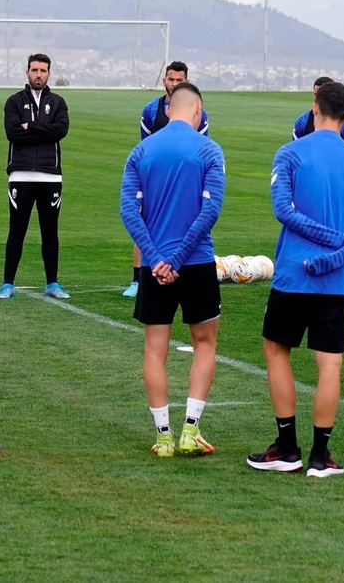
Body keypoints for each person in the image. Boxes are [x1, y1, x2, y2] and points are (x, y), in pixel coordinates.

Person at [248, 81, 344, 478]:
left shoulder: (290, 153)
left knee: (277, 351)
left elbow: (284, 211)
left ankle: (287, 448)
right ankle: (321, 456)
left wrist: (329, 244)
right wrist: (341, 250)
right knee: (330, 363)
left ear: (314, 108)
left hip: (293, 274)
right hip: (337, 280)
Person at [120, 81, 225, 458]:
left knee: (154, 349)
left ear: (167, 109)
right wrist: (179, 258)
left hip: (154, 267)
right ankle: (190, 430)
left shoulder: (142, 150)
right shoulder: (209, 149)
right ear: (198, 110)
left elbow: (129, 211)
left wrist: (155, 257)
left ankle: (163, 436)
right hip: (195, 263)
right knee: (204, 343)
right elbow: (210, 210)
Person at [127, 61, 211, 299]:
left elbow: (198, 149)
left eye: (179, 80)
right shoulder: (151, 111)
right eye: (171, 79)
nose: (174, 83)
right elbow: (145, 148)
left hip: (185, 179)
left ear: (186, 81)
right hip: (154, 178)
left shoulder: (200, 114)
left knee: (189, 221)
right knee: (144, 221)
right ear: (164, 80)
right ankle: (138, 279)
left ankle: (182, 268)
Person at [0, 53, 71, 300]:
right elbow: (13, 133)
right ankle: (7, 284)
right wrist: (45, 131)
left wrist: (30, 126)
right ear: (27, 72)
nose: (38, 74)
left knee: (50, 232)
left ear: (49, 74)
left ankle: (52, 284)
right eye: (34, 70)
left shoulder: (58, 102)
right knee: (16, 230)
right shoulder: (14, 101)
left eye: (43, 70)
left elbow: (61, 130)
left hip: (51, 176)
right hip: (20, 175)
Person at [292, 76, 344, 151]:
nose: (318, 98)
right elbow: (297, 152)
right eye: (316, 94)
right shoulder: (302, 122)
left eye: (322, 95)